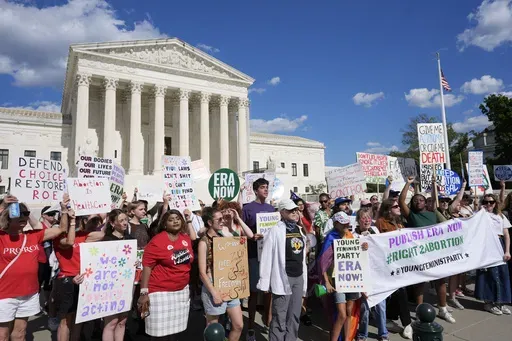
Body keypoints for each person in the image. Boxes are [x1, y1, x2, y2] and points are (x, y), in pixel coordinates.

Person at [0, 197, 70, 341]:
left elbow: (61, 229)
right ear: (9, 216)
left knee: (20, 333)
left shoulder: (33, 236)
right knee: (2, 335)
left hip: (28, 293)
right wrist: (3, 205)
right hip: (4, 294)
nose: (23, 217)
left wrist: (63, 211)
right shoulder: (2, 237)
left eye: (26, 214)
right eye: (19, 214)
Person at [399, 176, 455, 323]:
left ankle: (442, 309)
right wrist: (408, 183)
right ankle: (419, 311)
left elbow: (436, 201)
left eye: (421, 200)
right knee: (420, 284)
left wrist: (433, 184)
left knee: (440, 282)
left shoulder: (432, 214)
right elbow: (400, 201)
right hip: (419, 256)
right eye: (415, 200)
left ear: (426, 202)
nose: (418, 202)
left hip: (435, 254)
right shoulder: (411, 215)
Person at [138, 209, 197, 339]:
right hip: (160, 293)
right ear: (165, 224)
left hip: (181, 292)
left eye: (177, 218)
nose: (175, 221)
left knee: (175, 333)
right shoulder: (157, 241)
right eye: (171, 220)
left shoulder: (185, 238)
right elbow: (147, 267)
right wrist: (144, 293)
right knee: (159, 334)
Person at [257, 199, 307, 341]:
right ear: (282, 212)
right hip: (283, 277)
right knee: (280, 316)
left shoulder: (299, 229)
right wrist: (265, 282)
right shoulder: (275, 230)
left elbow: (302, 253)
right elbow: (266, 257)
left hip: (298, 277)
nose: (295, 213)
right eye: (291, 210)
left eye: (296, 210)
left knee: (294, 315)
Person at [54, 211, 105, 341]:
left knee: (78, 318)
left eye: (77, 219)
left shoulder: (83, 235)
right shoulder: (59, 238)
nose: (75, 221)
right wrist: (68, 218)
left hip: (83, 280)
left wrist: (100, 216)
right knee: (66, 320)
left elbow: (104, 233)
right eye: (72, 219)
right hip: (66, 280)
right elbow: (70, 242)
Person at [198, 207, 245, 341]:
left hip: (229, 284)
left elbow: (240, 240)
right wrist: (214, 293)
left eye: (222, 218)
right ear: (209, 222)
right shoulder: (204, 242)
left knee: (238, 325)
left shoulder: (224, 237)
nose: (222, 221)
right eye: (219, 219)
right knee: (214, 331)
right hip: (213, 286)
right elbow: (202, 272)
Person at [318, 211, 359, 341]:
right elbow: (322, 262)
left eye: (347, 223)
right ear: (336, 224)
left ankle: (347, 339)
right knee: (341, 314)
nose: (346, 225)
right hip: (336, 280)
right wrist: (327, 282)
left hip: (351, 278)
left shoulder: (350, 235)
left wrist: (363, 247)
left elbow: (356, 255)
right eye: (343, 224)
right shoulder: (331, 238)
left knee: (348, 311)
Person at [241, 178, 274, 340]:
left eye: (267, 187)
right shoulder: (248, 208)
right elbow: (241, 232)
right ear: (255, 191)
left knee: (269, 292)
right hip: (254, 255)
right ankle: (251, 326)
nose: (265, 190)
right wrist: (251, 237)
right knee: (254, 292)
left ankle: (268, 322)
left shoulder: (272, 208)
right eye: (262, 187)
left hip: (269, 256)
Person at [376, 199, 412, 339]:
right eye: (396, 206)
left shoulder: (400, 222)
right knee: (400, 291)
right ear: (388, 209)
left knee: (395, 292)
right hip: (388, 263)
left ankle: (389, 318)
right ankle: (407, 323)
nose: (399, 208)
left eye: (398, 206)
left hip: (400, 262)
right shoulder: (381, 222)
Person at [352, 209, 389, 341]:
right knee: (364, 308)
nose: (367, 220)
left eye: (369, 217)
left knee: (381, 306)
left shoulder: (375, 231)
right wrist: (360, 247)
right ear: (358, 220)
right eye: (363, 218)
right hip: (362, 276)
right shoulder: (353, 235)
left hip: (377, 275)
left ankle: (383, 333)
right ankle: (362, 334)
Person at [475, 194, 511, 315]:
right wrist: (480, 211)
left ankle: (501, 302)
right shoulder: (480, 215)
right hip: (487, 245)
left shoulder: (500, 216)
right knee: (489, 275)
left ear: (495, 203)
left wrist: (507, 251)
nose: (488, 204)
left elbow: (506, 234)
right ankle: (488, 302)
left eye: (491, 202)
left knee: (502, 274)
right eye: (486, 202)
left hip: (499, 244)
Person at [101, 209, 134, 341]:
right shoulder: (106, 240)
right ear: (112, 223)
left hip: (127, 284)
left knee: (122, 322)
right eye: (121, 220)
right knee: (111, 322)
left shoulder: (131, 239)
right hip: (111, 285)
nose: (125, 223)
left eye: (126, 219)